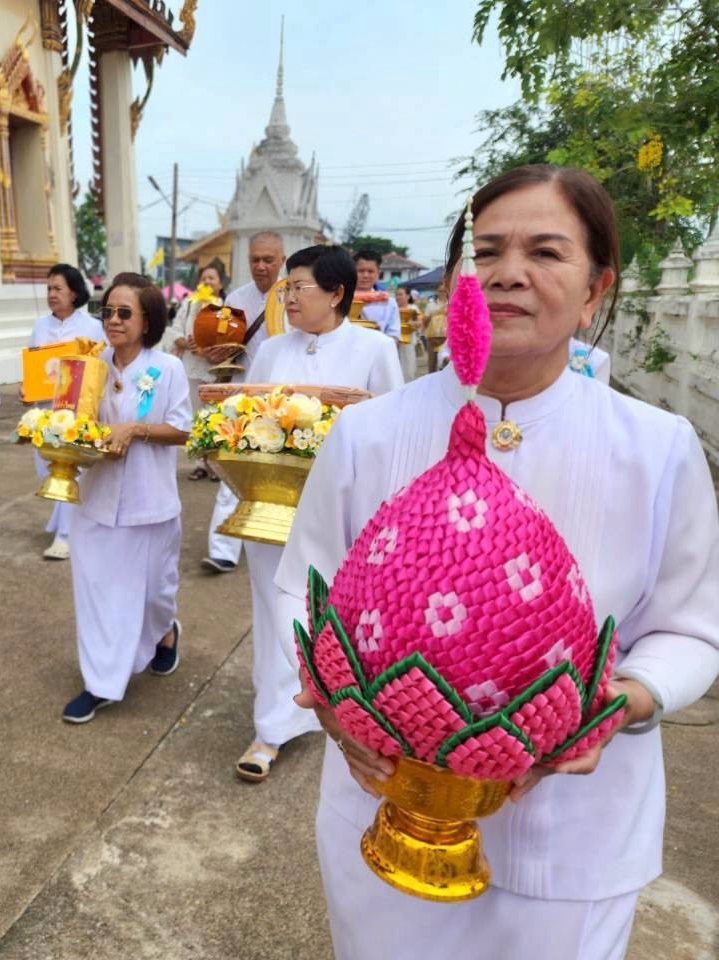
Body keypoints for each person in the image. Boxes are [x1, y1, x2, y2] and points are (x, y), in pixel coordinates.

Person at [276, 165, 719, 959]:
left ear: (594, 290)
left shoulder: (656, 450)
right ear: (455, 281)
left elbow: (691, 630)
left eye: (546, 252)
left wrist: (626, 699)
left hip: (573, 838)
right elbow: (301, 595)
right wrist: (329, 703)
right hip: (383, 806)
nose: (508, 271)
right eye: (485, 251)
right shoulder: (368, 435)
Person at [234, 244, 403, 783]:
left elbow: (395, 428)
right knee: (272, 611)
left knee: (338, 615)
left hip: (342, 509)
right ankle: (271, 727)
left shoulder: (373, 347)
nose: (287, 297)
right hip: (274, 502)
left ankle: (345, 708)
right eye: (285, 288)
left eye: (298, 287)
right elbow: (243, 419)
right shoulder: (271, 350)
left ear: (336, 293)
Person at [62, 272, 193, 723]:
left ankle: (165, 632)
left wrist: (134, 428)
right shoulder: (91, 364)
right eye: (108, 311)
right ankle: (100, 682)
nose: (113, 320)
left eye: (124, 313)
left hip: (150, 502)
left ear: (148, 319)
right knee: (99, 596)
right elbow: (71, 419)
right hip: (97, 500)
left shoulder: (167, 369)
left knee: (157, 593)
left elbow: (182, 430)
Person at [202, 232, 284, 573]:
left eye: (268, 259)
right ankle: (223, 548)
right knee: (233, 470)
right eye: (254, 259)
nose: (260, 266)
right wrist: (217, 352)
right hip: (242, 394)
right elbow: (218, 349)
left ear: (282, 259)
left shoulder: (293, 296)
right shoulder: (235, 299)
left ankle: (281, 543)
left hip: (286, 399)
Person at [28, 263, 105, 560]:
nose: (51, 294)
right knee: (46, 468)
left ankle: (65, 536)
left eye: (57, 288)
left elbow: (100, 367)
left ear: (74, 292)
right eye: (49, 288)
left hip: (76, 410)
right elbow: (33, 365)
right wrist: (28, 390)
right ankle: (62, 522)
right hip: (46, 409)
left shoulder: (92, 328)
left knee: (68, 468)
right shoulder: (39, 326)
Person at [166, 259, 228, 480]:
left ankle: (215, 464)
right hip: (192, 370)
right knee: (195, 417)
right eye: (204, 278)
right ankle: (200, 463)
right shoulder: (189, 304)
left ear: (220, 283)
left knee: (215, 417)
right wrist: (186, 344)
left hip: (216, 370)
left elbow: (229, 337)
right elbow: (175, 330)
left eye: (212, 278)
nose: (207, 281)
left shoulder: (225, 306)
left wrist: (210, 351)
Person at [353, 249, 401, 340]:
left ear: (378, 274)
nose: (365, 275)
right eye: (361, 271)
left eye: (370, 271)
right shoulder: (340, 299)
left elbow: (394, 336)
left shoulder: (389, 303)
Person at [393, 285, 421, 381]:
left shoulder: (413, 308)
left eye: (401, 294)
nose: (398, 297)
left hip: (408, 342)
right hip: (393, 342)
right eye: (396, 295)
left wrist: (411, 324)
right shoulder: (392, 307)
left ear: (408, 296)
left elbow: (419, 323)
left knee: (408, 370)